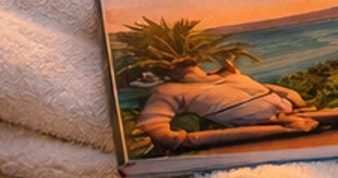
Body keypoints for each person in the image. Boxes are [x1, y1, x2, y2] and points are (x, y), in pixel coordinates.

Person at [134, 60, 321, 156]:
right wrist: (184, 140)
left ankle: (291, 119)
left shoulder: (229, 76)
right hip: (263, 121)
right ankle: (287, 123)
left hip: (286, 110)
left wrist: (297, 102)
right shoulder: (168, 90)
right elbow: (160, 131)